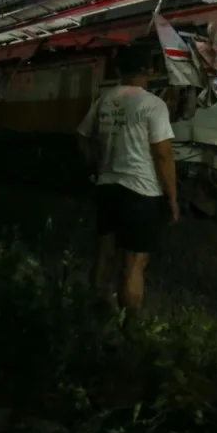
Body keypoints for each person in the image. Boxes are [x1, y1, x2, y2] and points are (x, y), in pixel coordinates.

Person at [77, 45, 179, 318]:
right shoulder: (152, 104)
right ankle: (130, 330)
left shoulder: (105, 99)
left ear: (120, 70)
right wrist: (172, 198)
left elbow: (83, 137)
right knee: (133, 264)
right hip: (141, 192)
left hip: (107, 187)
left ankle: (92, 316)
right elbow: (163, 155)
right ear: (150, 70)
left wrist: (96, 166)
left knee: (104, 253)